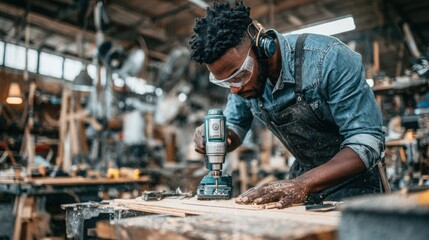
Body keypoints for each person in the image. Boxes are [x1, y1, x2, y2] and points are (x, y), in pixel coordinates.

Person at [190, 1, 385, 208]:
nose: (235, 89)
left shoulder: (329, 59)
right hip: (302, 184)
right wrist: (217, 137)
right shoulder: (243, 82)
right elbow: (235, 129)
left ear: (262, 44)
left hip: (357, 188)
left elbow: (367, 141)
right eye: (226, 82)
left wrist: (302, 184)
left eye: (239, 76)